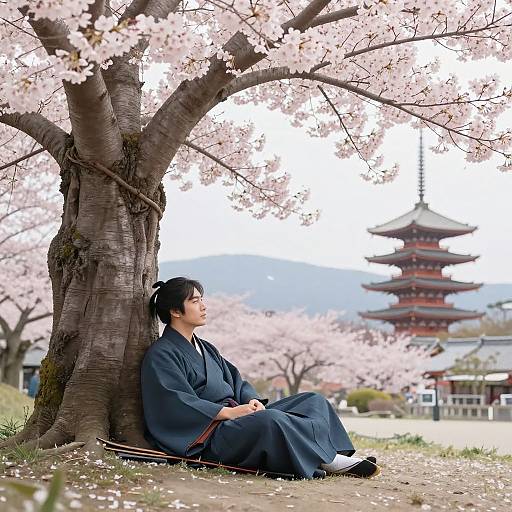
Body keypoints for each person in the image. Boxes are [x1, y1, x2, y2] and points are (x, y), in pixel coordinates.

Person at [141, 277, 380, 479]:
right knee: (271, 420)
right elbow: (175, 402)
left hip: (238, 418)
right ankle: (326, 459)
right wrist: (228, 413)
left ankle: (330, 455)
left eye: (202, 299)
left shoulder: (207, 348)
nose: (203, 306)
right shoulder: (161, 354)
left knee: (313, 401)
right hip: (212, 434)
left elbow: (235, 381)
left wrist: (252, 400)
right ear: (175, 311)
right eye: (195, 301)